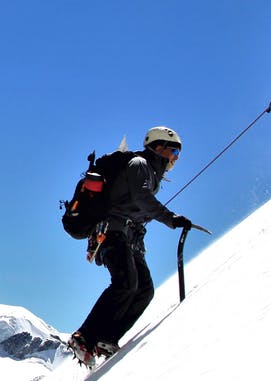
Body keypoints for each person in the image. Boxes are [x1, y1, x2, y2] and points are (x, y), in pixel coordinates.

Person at [68, 126, 194, 368]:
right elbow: (141, 198)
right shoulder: (139, 164)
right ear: (158, 147)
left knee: (144, 289)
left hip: (128, 236)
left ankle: (107, 338)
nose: (176, 158)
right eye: (174, 151)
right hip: (111, 231)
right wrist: (171, 218)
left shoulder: (150, 171)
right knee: (125, 283)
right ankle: (84, 337)